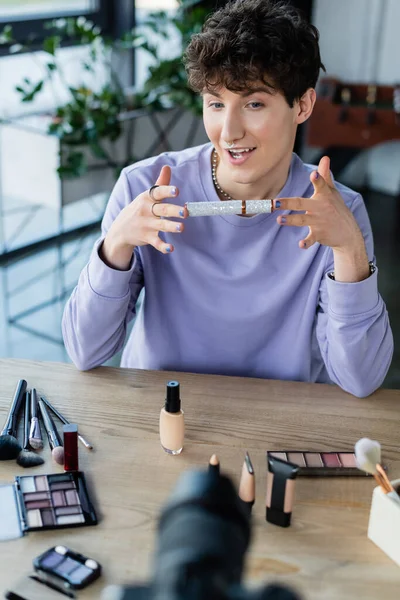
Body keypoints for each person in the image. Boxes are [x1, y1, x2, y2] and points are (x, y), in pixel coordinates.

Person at [62, 0, 393, 398]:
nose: (229, 132)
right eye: (216, 104)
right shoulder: (142, 187)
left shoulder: (338, 212)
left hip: (281, 425)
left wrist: (350, 250)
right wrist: (115, 246)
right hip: (163, 412)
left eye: (254, 104)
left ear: (302, 105)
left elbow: (361, 380)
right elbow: (85, 352)